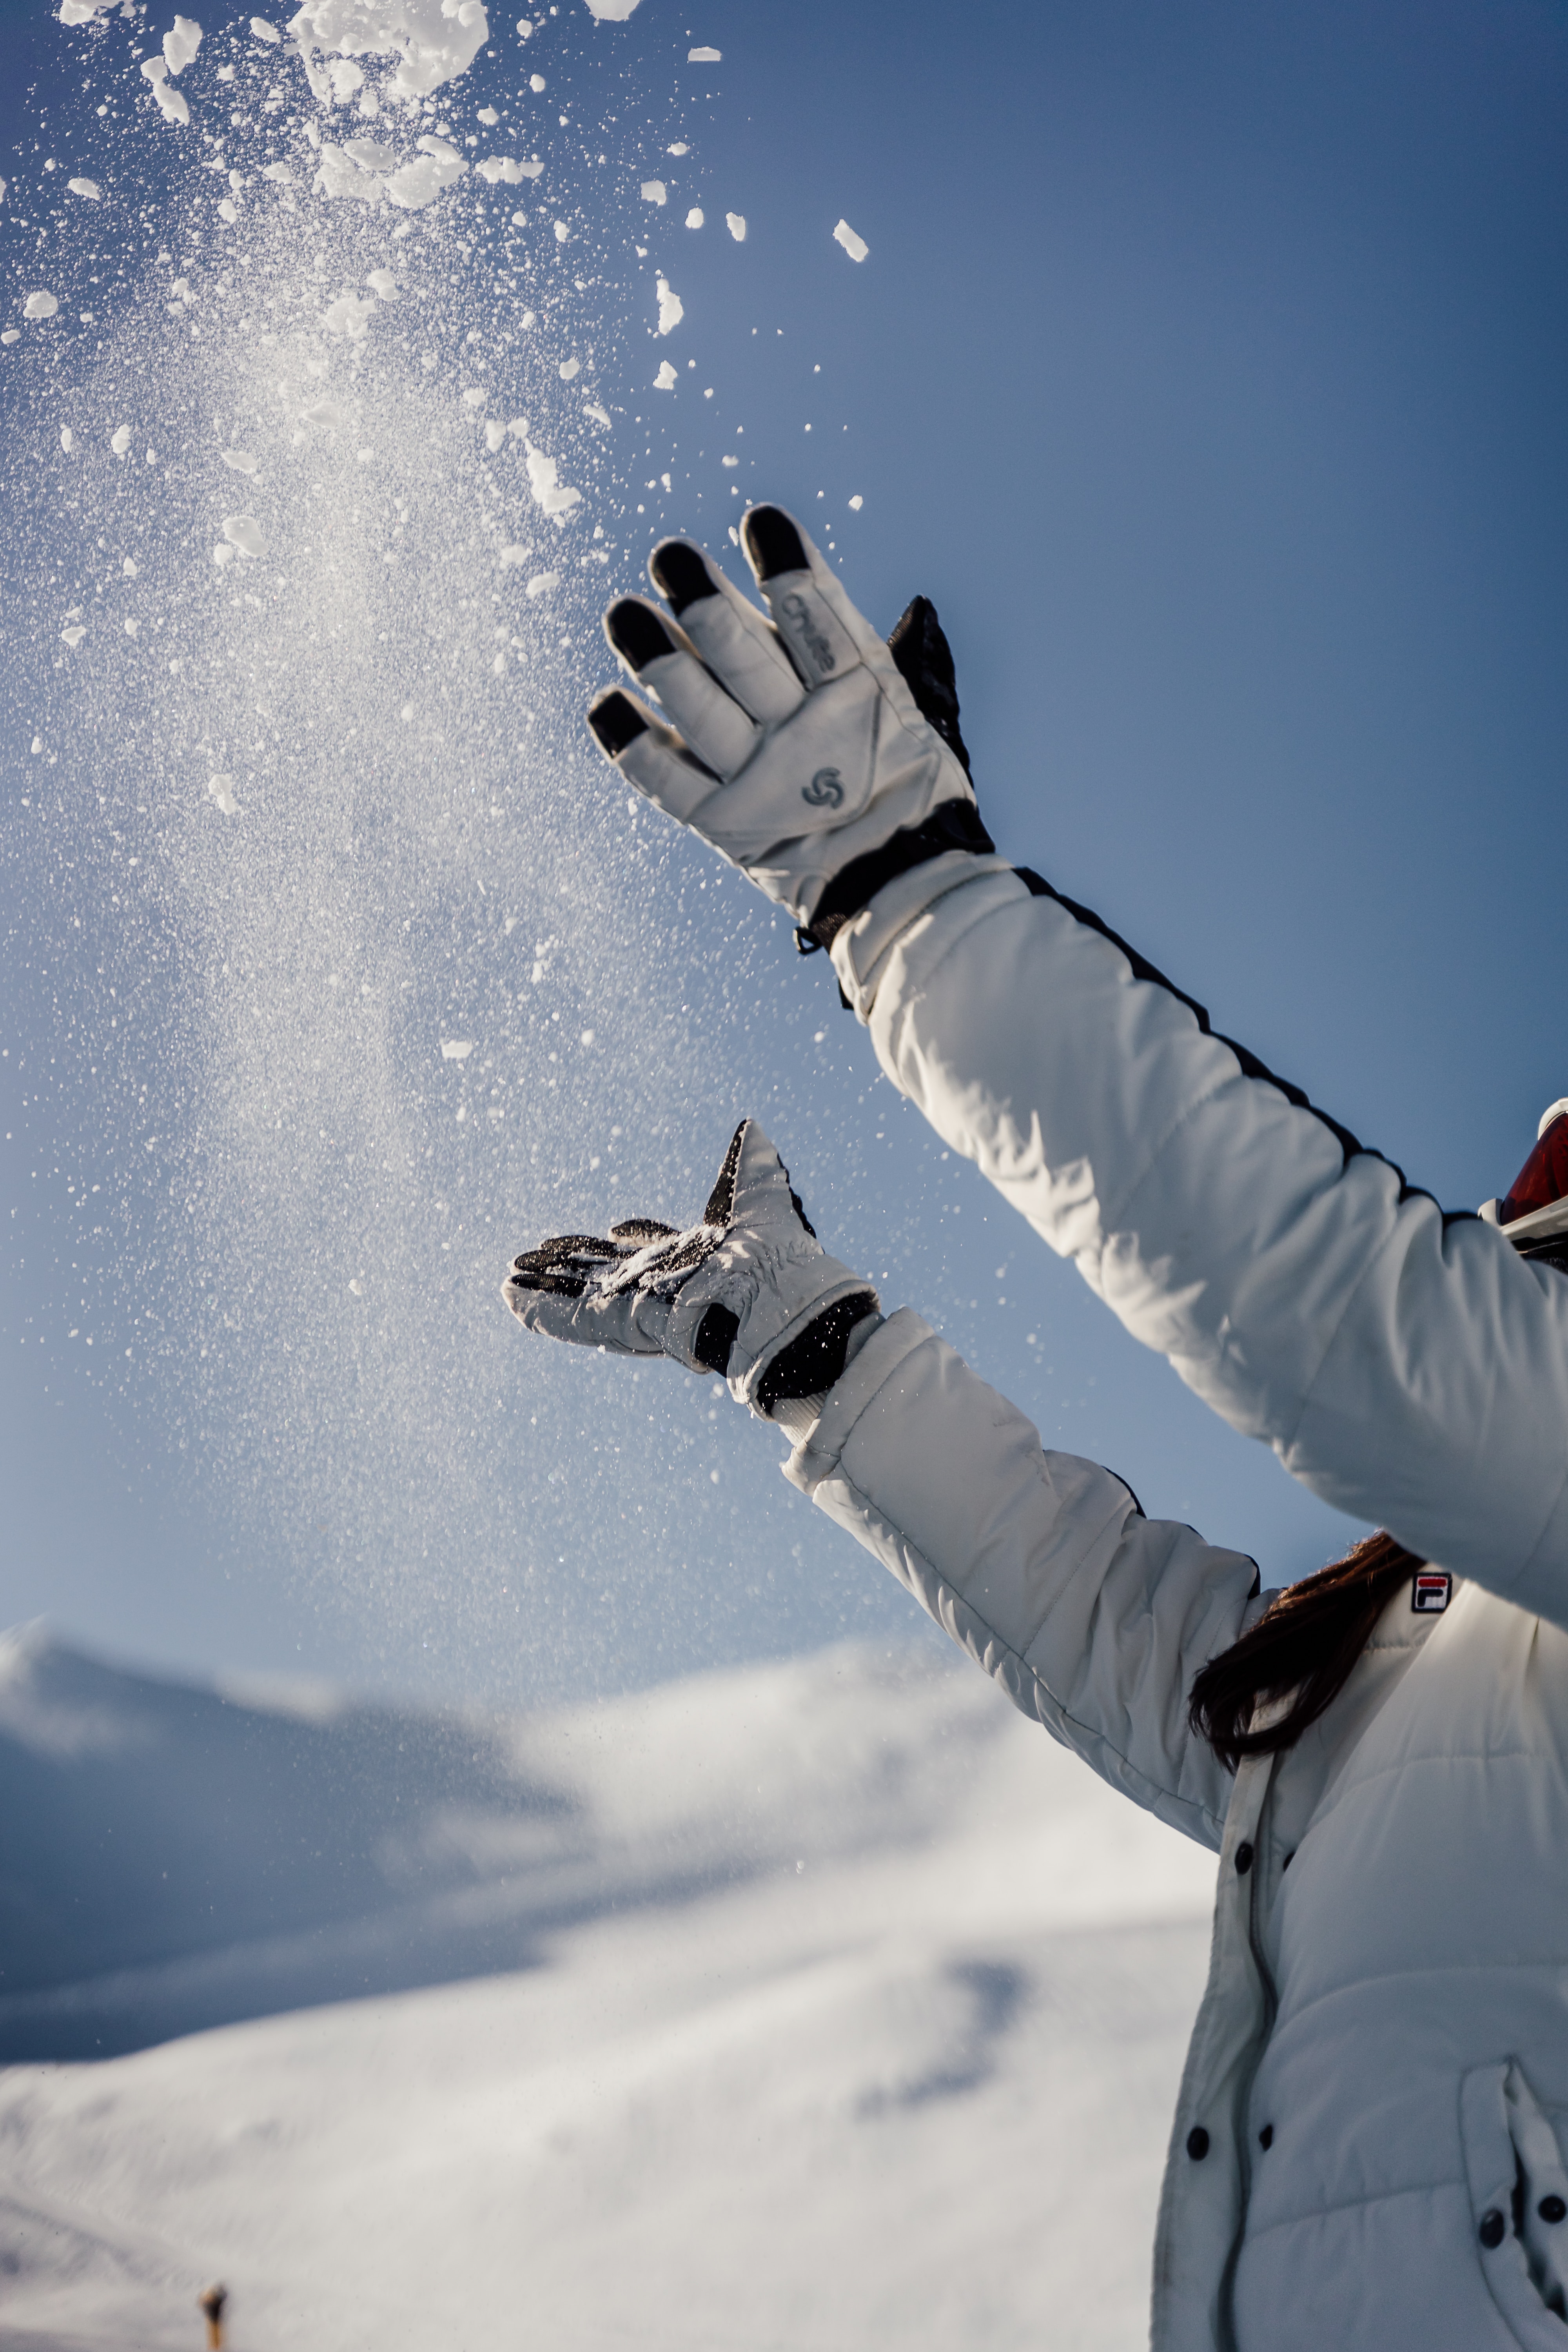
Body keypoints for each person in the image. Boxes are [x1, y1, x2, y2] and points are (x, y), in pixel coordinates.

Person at [503, 506, 1568, 2352]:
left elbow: (1331, 1315)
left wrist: (902, 891)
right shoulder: (1415, 1655)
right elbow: (1102, 1616)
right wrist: (813, 1350)